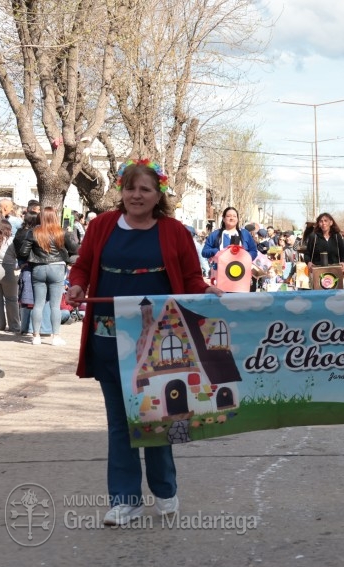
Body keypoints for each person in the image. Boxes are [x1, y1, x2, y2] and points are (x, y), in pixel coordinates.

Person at [67, 159, 223, 527]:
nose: (136, 195)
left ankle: (165, 490)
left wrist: (208, 290)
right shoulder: (101, 225)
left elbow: (189, 278)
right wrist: (77, 285)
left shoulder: (175, 232)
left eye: (145, 190)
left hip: (162, 340)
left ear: (158, 196)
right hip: (109, 339)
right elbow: (83, 266)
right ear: (121, 191)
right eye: (130, 188)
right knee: (121, 422)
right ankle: (125, 501)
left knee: (156, 417)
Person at [19, 206, 78, 346]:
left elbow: (23, 252)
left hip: (38, 268)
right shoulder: (61, 232)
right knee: (55, 305)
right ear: (55, 217)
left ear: (41, 217)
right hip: (57, 267)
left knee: (38, 304)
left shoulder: (33, 232)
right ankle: (56, 336)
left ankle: (36, 336)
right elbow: (74, 249)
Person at [202, 208, 258, 280]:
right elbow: (204, 252)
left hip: (241, 275)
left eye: (234, 216)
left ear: (237, 219)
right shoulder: (215, 234)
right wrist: (216, 252)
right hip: (221, 275)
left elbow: (254, 251)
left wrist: (245, 257)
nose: (232, 218)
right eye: (229, 216)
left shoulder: (245, 234)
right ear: (223, 218)